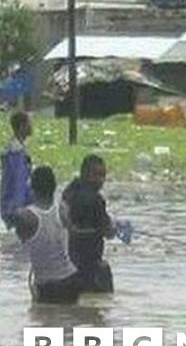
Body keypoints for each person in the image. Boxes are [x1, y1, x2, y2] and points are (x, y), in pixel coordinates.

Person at [14, 166, 81, 304]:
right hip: (71, 279)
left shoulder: (25, 216)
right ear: (54, 186)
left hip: (47, 286)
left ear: (32, 187)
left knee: (45, 322)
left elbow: (22, 237)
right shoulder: (63, 209)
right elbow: (72, 231)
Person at [62, 155, 116, 293]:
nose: (101, 180)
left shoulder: (69, 191)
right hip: (90, 264)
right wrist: (114, 228)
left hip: (69, 261)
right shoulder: (97, 200)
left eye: (103, 176)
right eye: (96, 175)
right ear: (85, 174)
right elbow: (107, 231)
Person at [1, 111, 33, 230]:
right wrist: (18, 209)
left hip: (14, 207)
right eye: (28, 123)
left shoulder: (17, 149)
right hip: (14, 209)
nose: (31, 126)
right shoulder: (15, 153)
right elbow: (17, 182)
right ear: (21, 126)